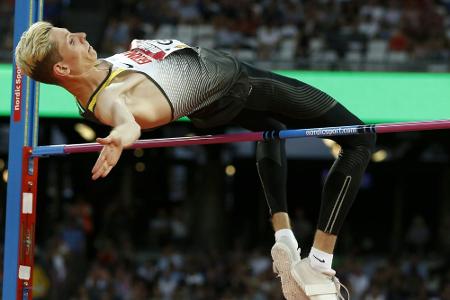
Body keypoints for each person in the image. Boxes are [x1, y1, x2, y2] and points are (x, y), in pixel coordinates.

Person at [15, 21, 376, 299]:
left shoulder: (98, 75)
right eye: (71, 40)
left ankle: (284, 238)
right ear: (62, 70)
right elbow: (125, 122)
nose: (80, 33)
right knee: (360, 140)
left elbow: (125, 78)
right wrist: (121, 138)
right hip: (241, 84)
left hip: (213, 104)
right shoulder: (110, 98)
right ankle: (318, 264)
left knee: (270, 131)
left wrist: (144, 49)